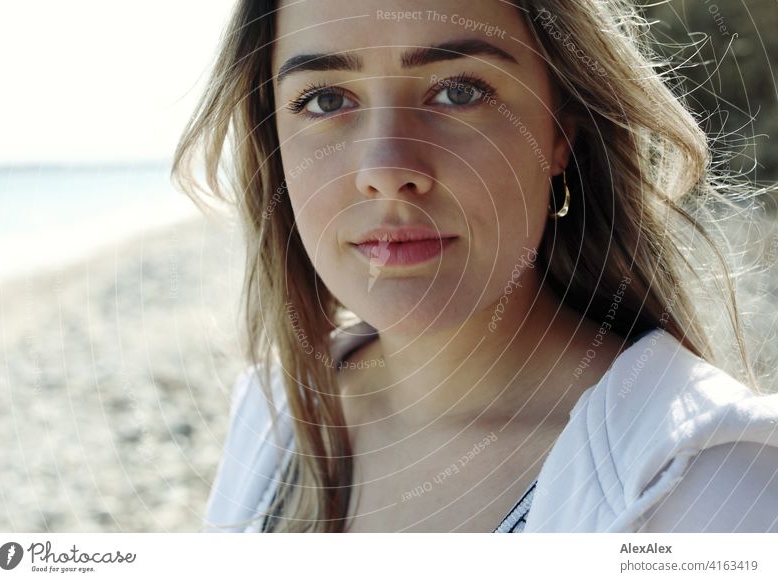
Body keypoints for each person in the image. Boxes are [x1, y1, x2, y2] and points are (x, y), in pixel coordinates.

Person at [172, 0, 778, 532]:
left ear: (561, 131)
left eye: (459, 90)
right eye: (325, 99)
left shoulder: (700, 481)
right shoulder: (272, 410)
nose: (385, 168)